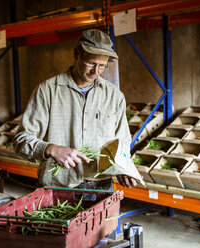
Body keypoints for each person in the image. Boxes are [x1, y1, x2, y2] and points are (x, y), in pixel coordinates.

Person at [13, 29, 137, 190]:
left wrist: (123, 167)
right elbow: (21, 141)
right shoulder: (48, 91)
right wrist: (50, 149)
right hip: (59, 188)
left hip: (102, 187)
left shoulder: (114, 96)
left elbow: (122, 143)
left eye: (102, 66)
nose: (95, 71)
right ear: (77, 54)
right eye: (91, 63)